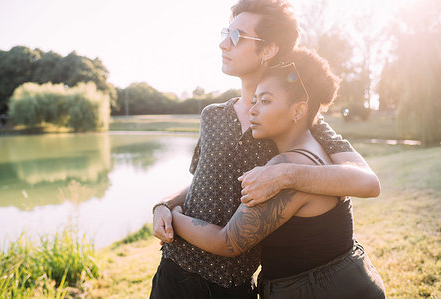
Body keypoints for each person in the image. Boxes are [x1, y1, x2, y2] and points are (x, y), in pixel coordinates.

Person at [150, 0, 380, 298]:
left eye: (236, 36)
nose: (223, 44)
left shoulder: (295, 122)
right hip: (171, 269)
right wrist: (163, 206)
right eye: (225, 32)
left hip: (230, 285)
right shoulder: (213, 115)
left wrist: (285, 174)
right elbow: (199, 183)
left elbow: (366, 180)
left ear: (269, 49)